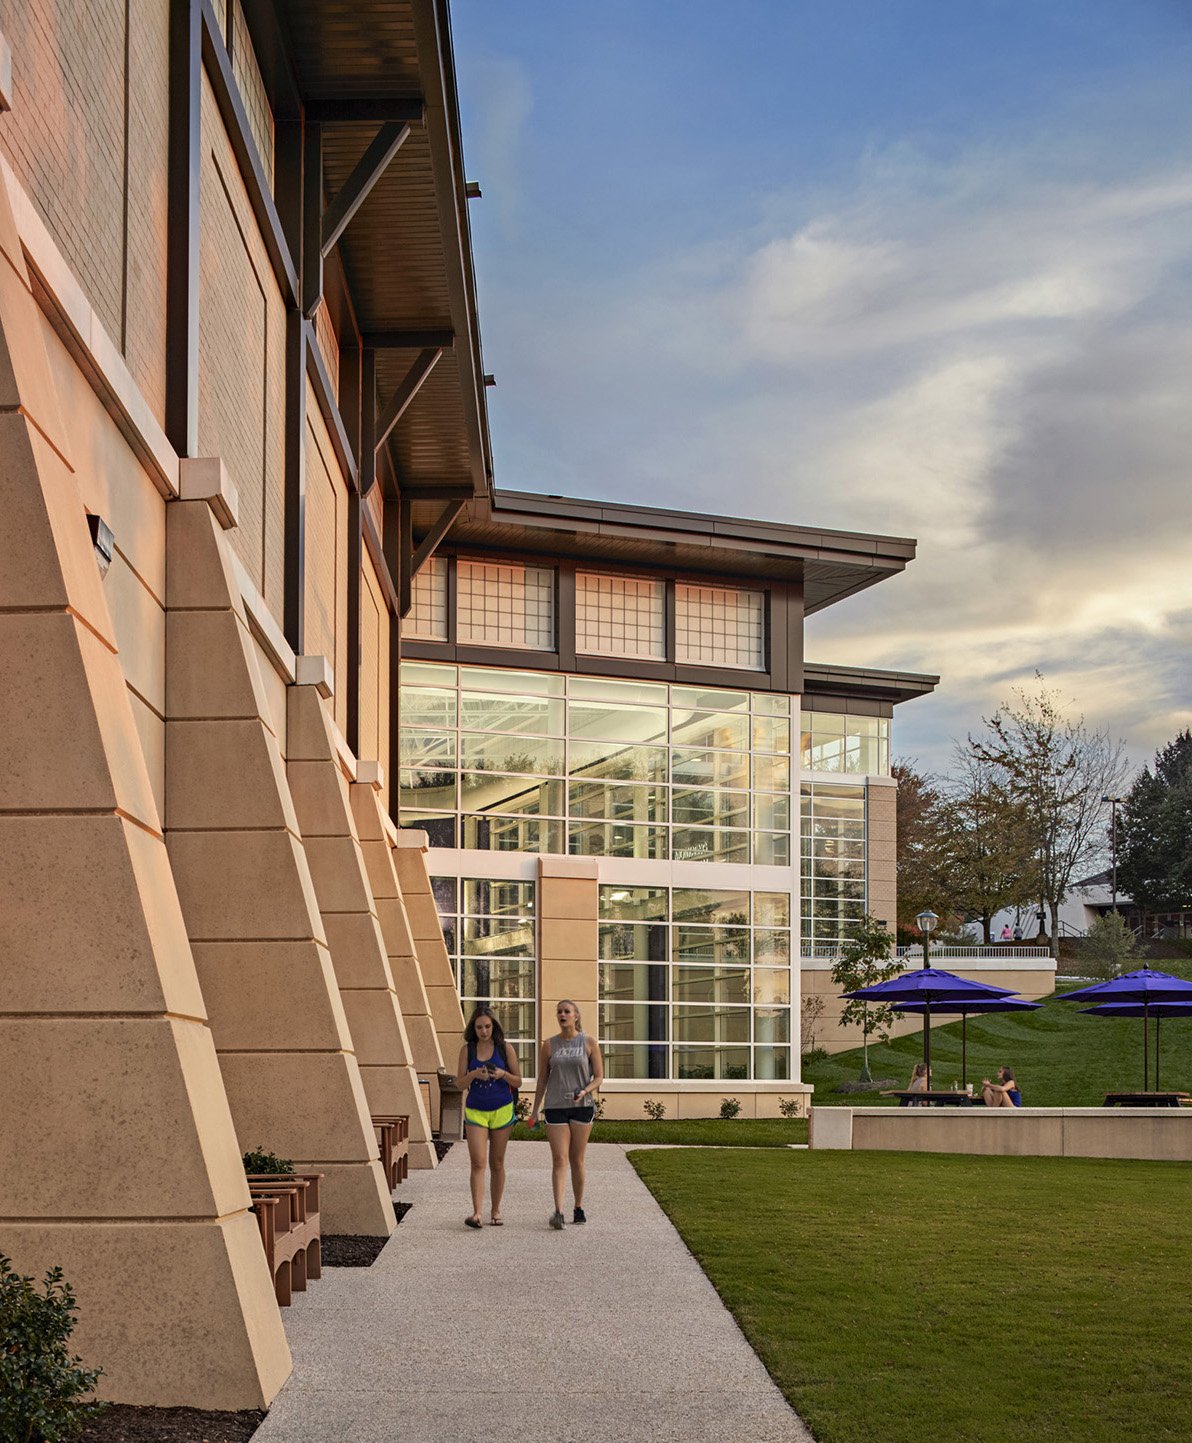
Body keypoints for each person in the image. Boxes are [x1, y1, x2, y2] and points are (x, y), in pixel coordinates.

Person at [530, 999, 604, 1230]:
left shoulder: (589, 1042)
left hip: (582, 1106)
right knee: (559, 1159)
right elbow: (542, 1078)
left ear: (576, 1016)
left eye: (567, 1011)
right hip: (555, 1106)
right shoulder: (549, 1045)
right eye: (559, 1012)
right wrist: (534, 1111)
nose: (562, 1015)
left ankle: (578, 1206)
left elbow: (599, 1077)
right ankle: (559, 1211)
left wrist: (585, 1091)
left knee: (576, 1159)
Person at [456, 1005, 521, 1228]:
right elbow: (459, 1083)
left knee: (497, 1163)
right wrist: (474, 1074)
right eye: (479, 1027)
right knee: (477, 1162)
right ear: (473, 1029)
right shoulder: (468, 1050)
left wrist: (502, 1074)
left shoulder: (505, 1049)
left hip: (502, 1108)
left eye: (487, 1026)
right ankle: (476, 1213)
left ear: (494, 1026)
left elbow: (518, 1081)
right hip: (476, 1110)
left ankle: (495, 1210)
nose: (484, 1031)